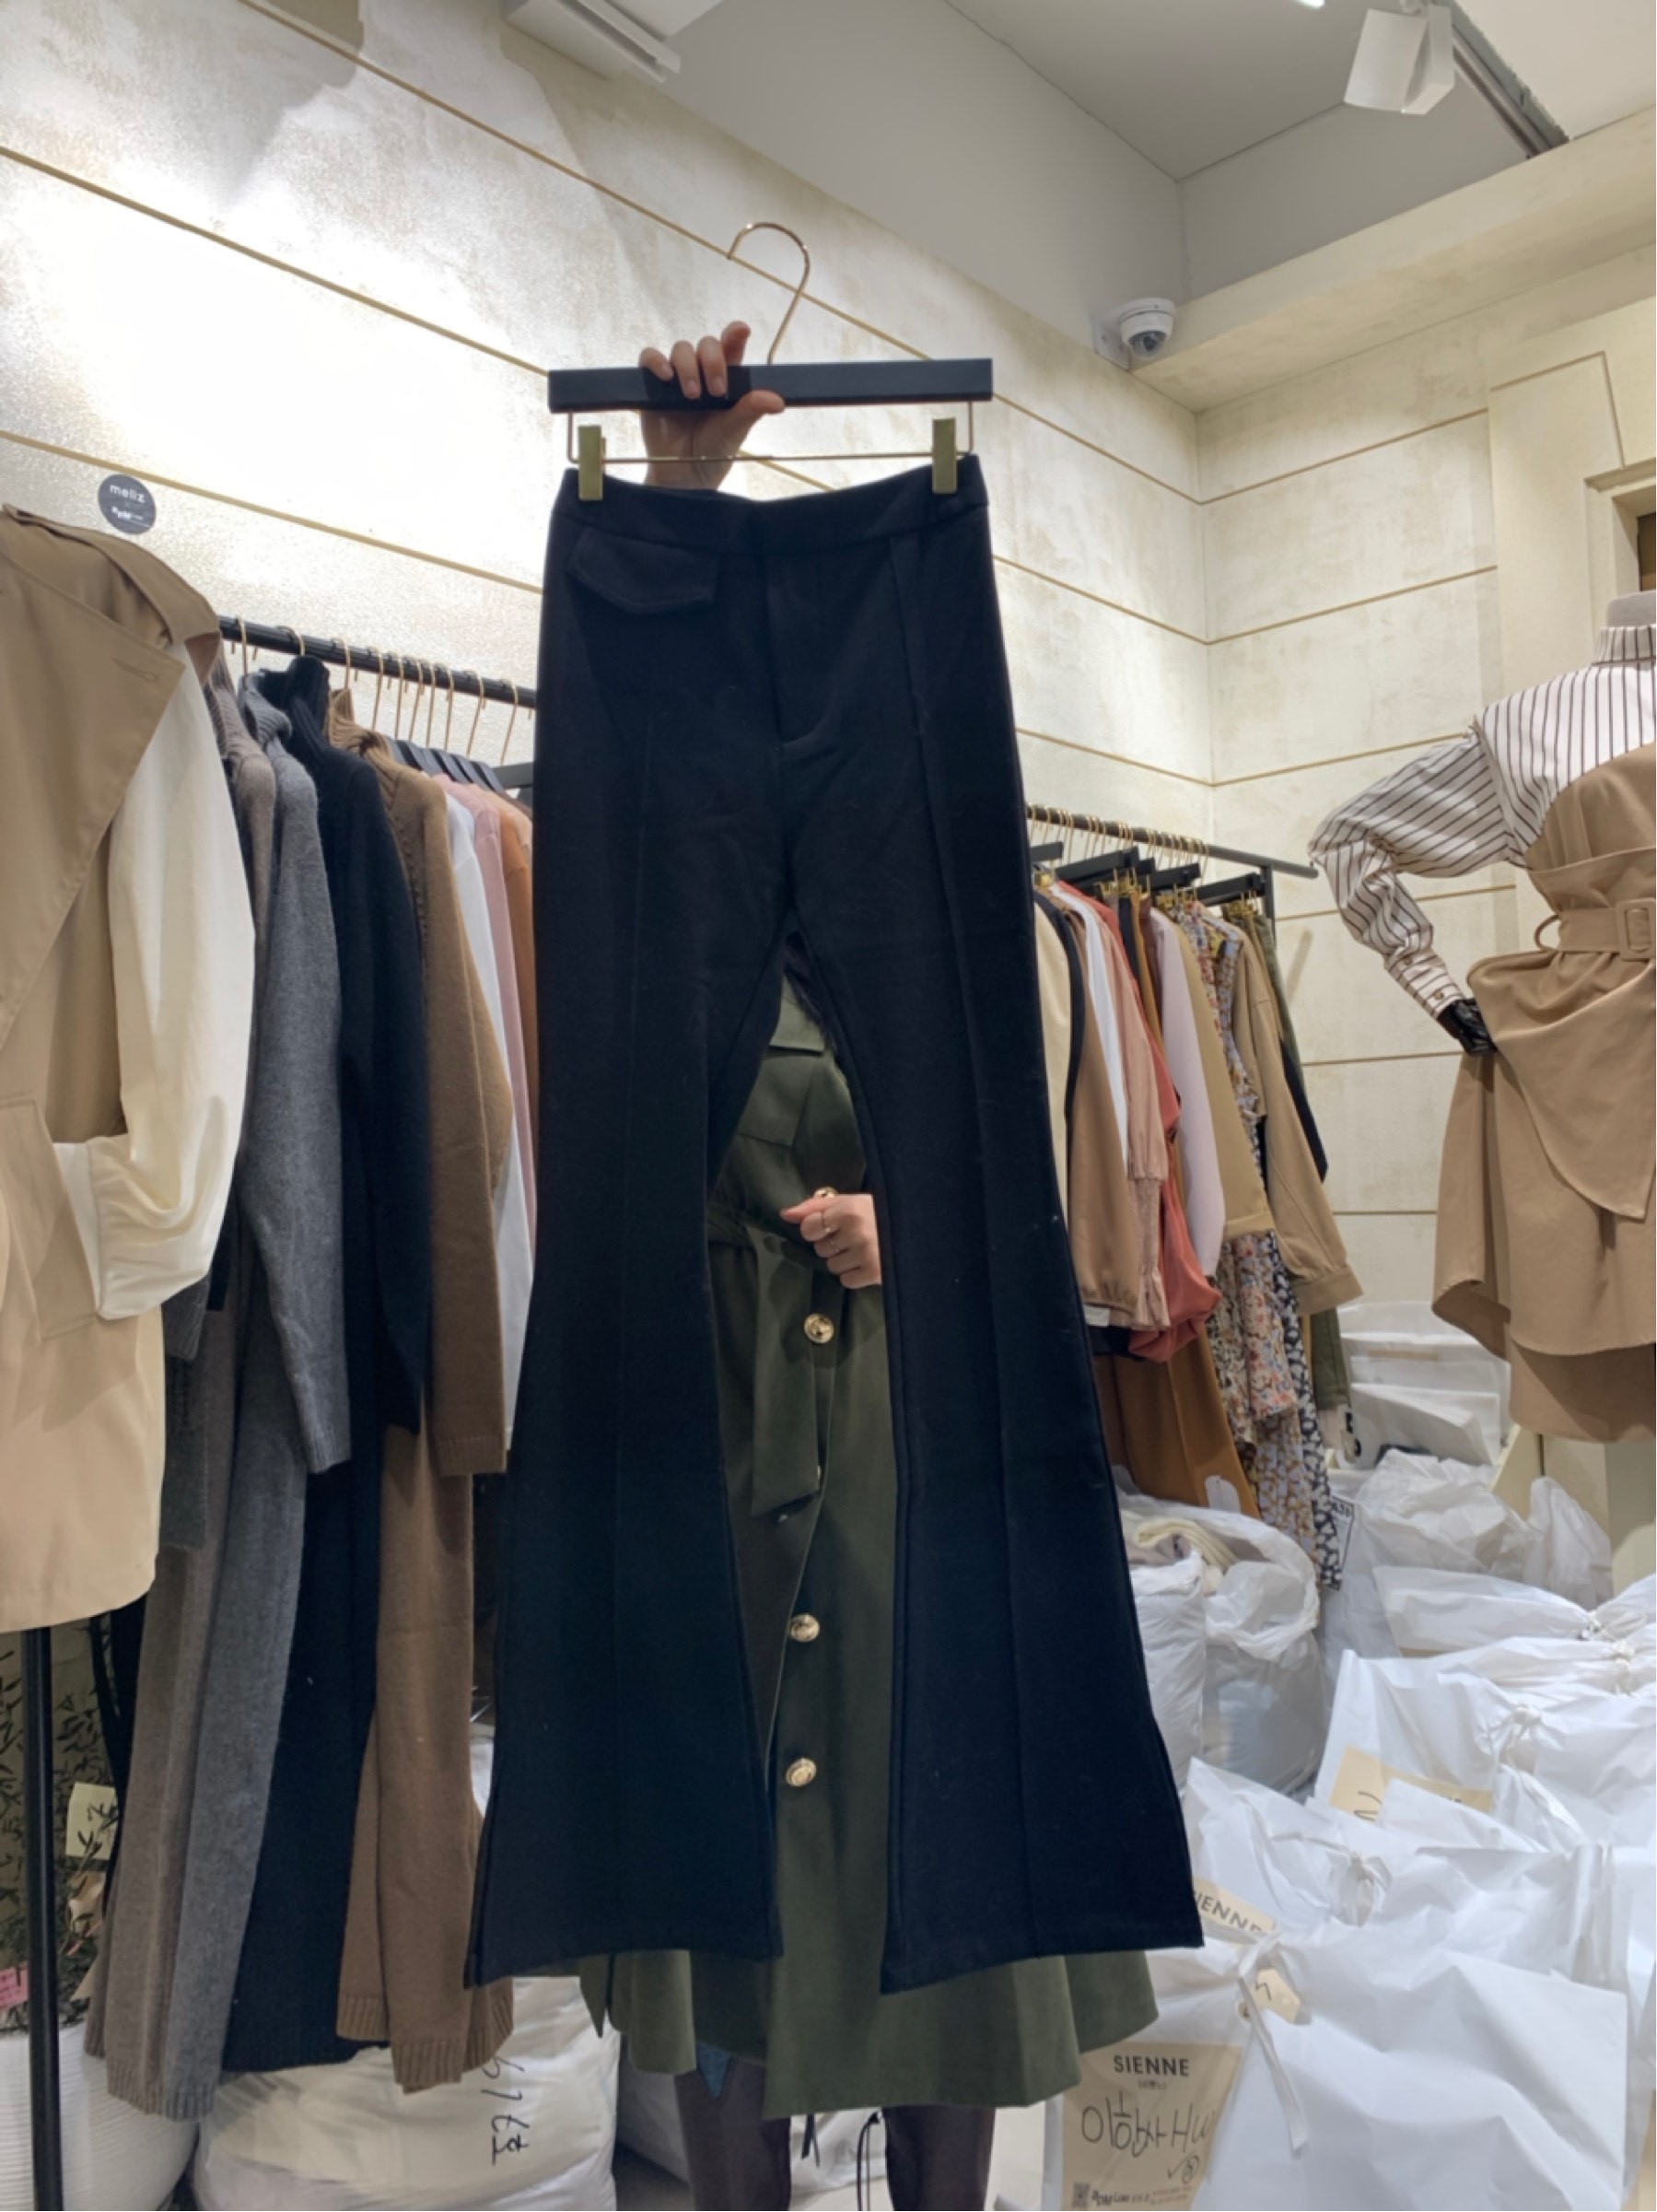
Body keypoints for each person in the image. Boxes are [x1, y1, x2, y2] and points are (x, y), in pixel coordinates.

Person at [576, 334, 1154, 2212]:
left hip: (924, 1454)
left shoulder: (977, 937)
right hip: (721, 1437)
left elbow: (1043, 1192)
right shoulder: (661, 912)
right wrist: (680, 493)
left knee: (940, 1864)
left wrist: (929, 1230)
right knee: (733, 1884)